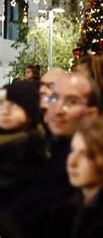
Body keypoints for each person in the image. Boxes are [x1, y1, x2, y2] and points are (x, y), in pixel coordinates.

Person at [6, 73, 100, 238]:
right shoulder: (36, 148)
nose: (58, 110)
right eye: (54, 99)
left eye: (71, 102)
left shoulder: (95, 162)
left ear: (91, 114)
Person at [0, 81, 48, 210]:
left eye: (14, 105)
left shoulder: (28, 148)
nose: (5, 111)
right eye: (1, 104)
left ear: (31, 112)